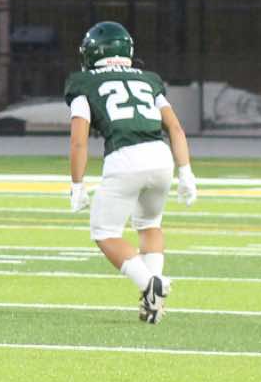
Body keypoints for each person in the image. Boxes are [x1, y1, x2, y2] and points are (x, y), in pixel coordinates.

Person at [65, 20, 197, 324]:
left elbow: (78, 140)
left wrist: (77, 183)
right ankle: (154, 300)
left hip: (124, 158)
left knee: (105, 232)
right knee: (150, 224)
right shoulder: (148, 80)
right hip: (161, 157)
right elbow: (175, 128)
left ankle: (149, 283)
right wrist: (186, 172)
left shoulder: (83, 83)